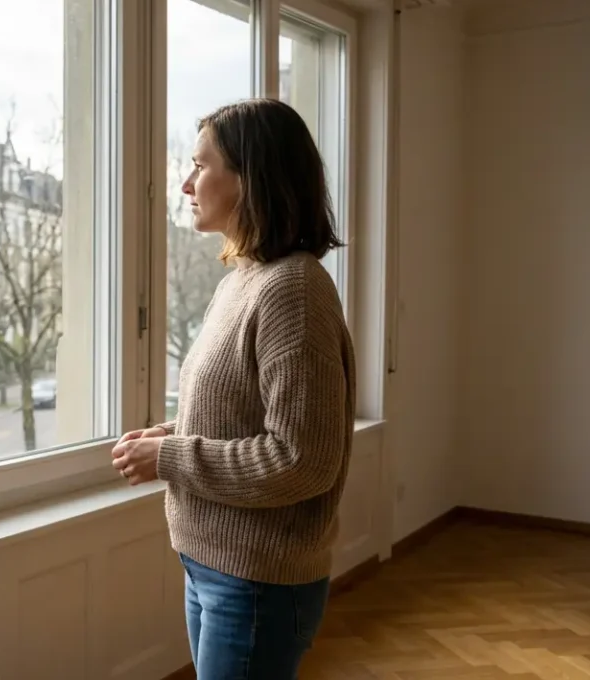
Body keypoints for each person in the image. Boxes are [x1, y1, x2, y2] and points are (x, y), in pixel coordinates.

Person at [112, 98, 355, 679]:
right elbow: (237, 413)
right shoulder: (242, 282)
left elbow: (301, 459)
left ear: (251, 178)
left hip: (256, 581)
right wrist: (168, 433)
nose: (186, 182)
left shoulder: (292, 291)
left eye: (201, 165)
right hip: (211, 565)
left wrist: (168, 455)